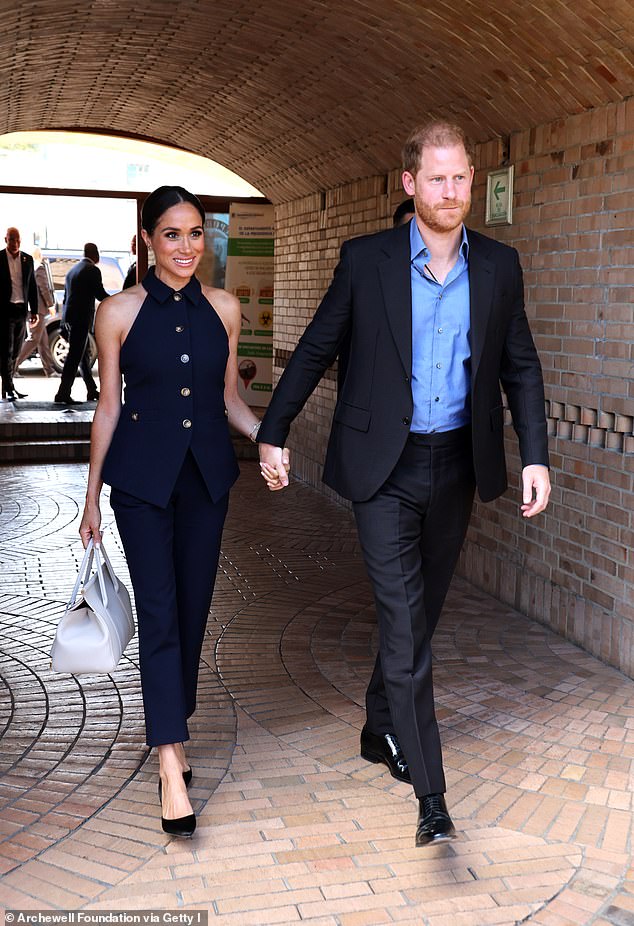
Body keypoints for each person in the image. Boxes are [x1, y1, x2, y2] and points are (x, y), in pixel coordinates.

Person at [257, 121, 551, 847]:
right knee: (405, 626)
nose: (451, 192)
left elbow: (521, 365)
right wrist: (273, 429)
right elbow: (319, 346)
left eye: (461, 178)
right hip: (382, 469)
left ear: (471, 182)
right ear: (410, 184)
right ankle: (432, 797)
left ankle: (376, 724)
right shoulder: (367, 261)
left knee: (421, 616)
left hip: (457, 465)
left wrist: (536, 454)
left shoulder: (501, 266)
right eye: (437, 178)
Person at [79, 185, 278, 838]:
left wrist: (265, 439)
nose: (186, 246)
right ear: (147, 239)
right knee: (160, 614)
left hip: (205, 483)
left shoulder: (223, 308)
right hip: (139, 484)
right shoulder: (117, 311)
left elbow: (229, 400)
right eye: (172, 233)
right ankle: (169, 762)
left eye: (196, 233)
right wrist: (90, 500)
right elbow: (108, 408)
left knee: (193, 613)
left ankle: (173, 726)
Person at [54, 242, 109, 405]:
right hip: (81, 319)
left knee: (82, 357)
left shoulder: (72, 271)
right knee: (74, 357)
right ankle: (62, 393)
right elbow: (100, 294)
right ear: (95, 254)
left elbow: (65, 298)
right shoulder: (92, 270)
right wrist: (118, 300)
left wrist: (63, 322)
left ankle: (91, 390)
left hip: (70, 319)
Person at [0, 227, 38, 400]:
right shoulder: (0, 258)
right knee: (5, 351)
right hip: (5, 309)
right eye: (11, 239)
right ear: (5, 239)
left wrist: (34, 310)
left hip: (21, 310)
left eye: (17, 240)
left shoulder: (27, 259)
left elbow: (32, 287)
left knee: (16, 351)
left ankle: (8, 385)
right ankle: (8, 388)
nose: (14, 243)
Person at [15, 247, 57, 377]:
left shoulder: (28, 268)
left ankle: (49, 370)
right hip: (38, 310)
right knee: (33, 339)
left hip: (31, 309)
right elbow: (43, 288)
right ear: (39, 255)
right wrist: (50, 305)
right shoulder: (39, 269)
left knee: (42, 341)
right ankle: (12, 367)